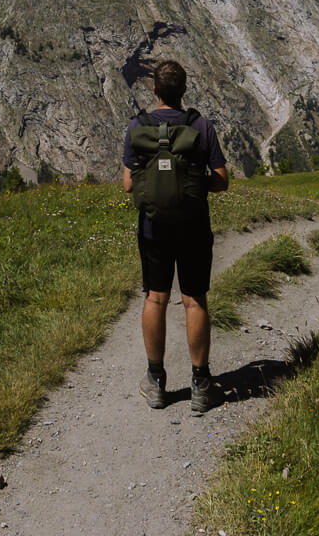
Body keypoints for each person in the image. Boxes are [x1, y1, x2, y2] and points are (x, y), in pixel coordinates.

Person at [122, 59, 228, 415]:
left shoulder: (138, 127)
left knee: (155, 299)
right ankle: (201, 385)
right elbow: (222, 180)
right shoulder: (201, 125)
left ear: (154, 89)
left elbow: (126, 184)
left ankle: (155, 382)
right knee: (194, 300)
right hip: (194, 227)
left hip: (153, 228)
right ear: (184, 90)